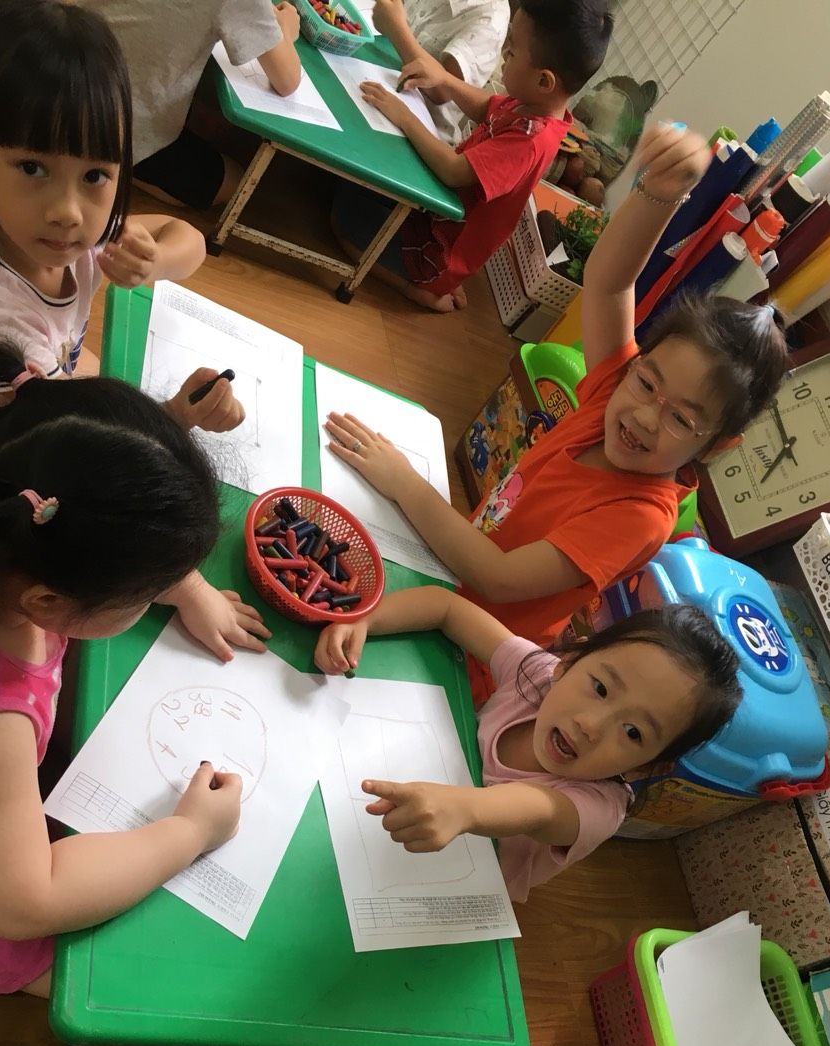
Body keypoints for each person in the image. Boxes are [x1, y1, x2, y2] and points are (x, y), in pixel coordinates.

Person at [323, 123, 790, 704]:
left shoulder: (640, 515)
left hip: (473, 657)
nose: (645, 416)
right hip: (444, 570)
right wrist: (659, 194)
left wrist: (404, 482)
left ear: (716, 445)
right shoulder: (615, 392)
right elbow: (609, 283)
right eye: (648, 381)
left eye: (681, 420)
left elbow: (498, 578)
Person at [0, 345, 256, 999]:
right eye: (145, 590)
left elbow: (89, 507)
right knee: (94, 975)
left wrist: (188, 589)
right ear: (48, 602)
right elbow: (26, 900)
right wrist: (189, 831)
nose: (159, 594)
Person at [314, 587, 742, 1046]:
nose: (591, 725)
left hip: (478, 889)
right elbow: (448, 610)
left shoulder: (602, 806)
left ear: (646, 767)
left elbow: (535, 807)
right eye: (600, 687)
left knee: (423, 985)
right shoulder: (538, 677)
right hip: (428, 799)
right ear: (570, 662)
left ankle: (476, 1039)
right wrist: (366, 620)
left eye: (633, 732)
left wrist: (466, 808)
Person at [0, 0, 243, 449]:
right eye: (33, 168)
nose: (69, 212)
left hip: (8, 385)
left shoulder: (44, 233)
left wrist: (153, 262)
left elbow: (189, 240)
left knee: (92, 373)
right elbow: (76, 446)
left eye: (95, 175)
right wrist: (174, 417)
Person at [330, 0, 613, 311]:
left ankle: (420, 290)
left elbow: (454, 170)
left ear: (544, 81)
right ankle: (434, 279)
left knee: (344, 220)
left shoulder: (531, 141)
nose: (504, 54)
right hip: (433, 211)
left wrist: (404, 117)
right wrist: (444, 79)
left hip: (437, 247)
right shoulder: (532, 105)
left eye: (512, 50)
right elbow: (486, 107)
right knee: (356, 182)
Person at [81, 0, 301, 211]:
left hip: (70, 71)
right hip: (110, 124)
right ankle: (118, 168)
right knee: (236, 183)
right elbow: (287, 80)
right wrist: (286, 30)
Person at [370, 0, 509, 145]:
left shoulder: (490, 22)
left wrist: (396, 28)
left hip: (419, 131)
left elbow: (441, 91)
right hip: (381, 76)